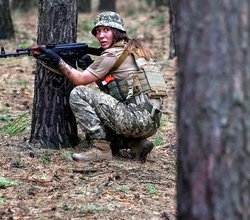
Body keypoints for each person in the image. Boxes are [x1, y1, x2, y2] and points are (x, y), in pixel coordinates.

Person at [35, 11, 162, 162]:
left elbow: (80, 80)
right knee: (96, 128)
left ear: (117, 32)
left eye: (106, 30)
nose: (101, 35)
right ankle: (137, 144)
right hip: (150, 121)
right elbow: (114, 88)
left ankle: (101, 149)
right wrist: (89, 66)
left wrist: (57, 60)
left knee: (79, 94)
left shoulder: (111, 55)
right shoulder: (131, 50)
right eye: (98, 31)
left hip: (135, 119)